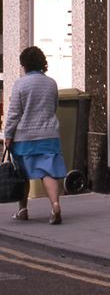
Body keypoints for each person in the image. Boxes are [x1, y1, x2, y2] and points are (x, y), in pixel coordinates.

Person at [2, 47, 66, 224]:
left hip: (25, 137)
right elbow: (53, 107)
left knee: (22, 174)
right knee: (48, 172)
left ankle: (22, 210)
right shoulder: (51, 83)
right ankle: (55, 205)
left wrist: (8, 134)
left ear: (24, 65)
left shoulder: (20, 84)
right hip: (49, 135)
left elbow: (14, 113)